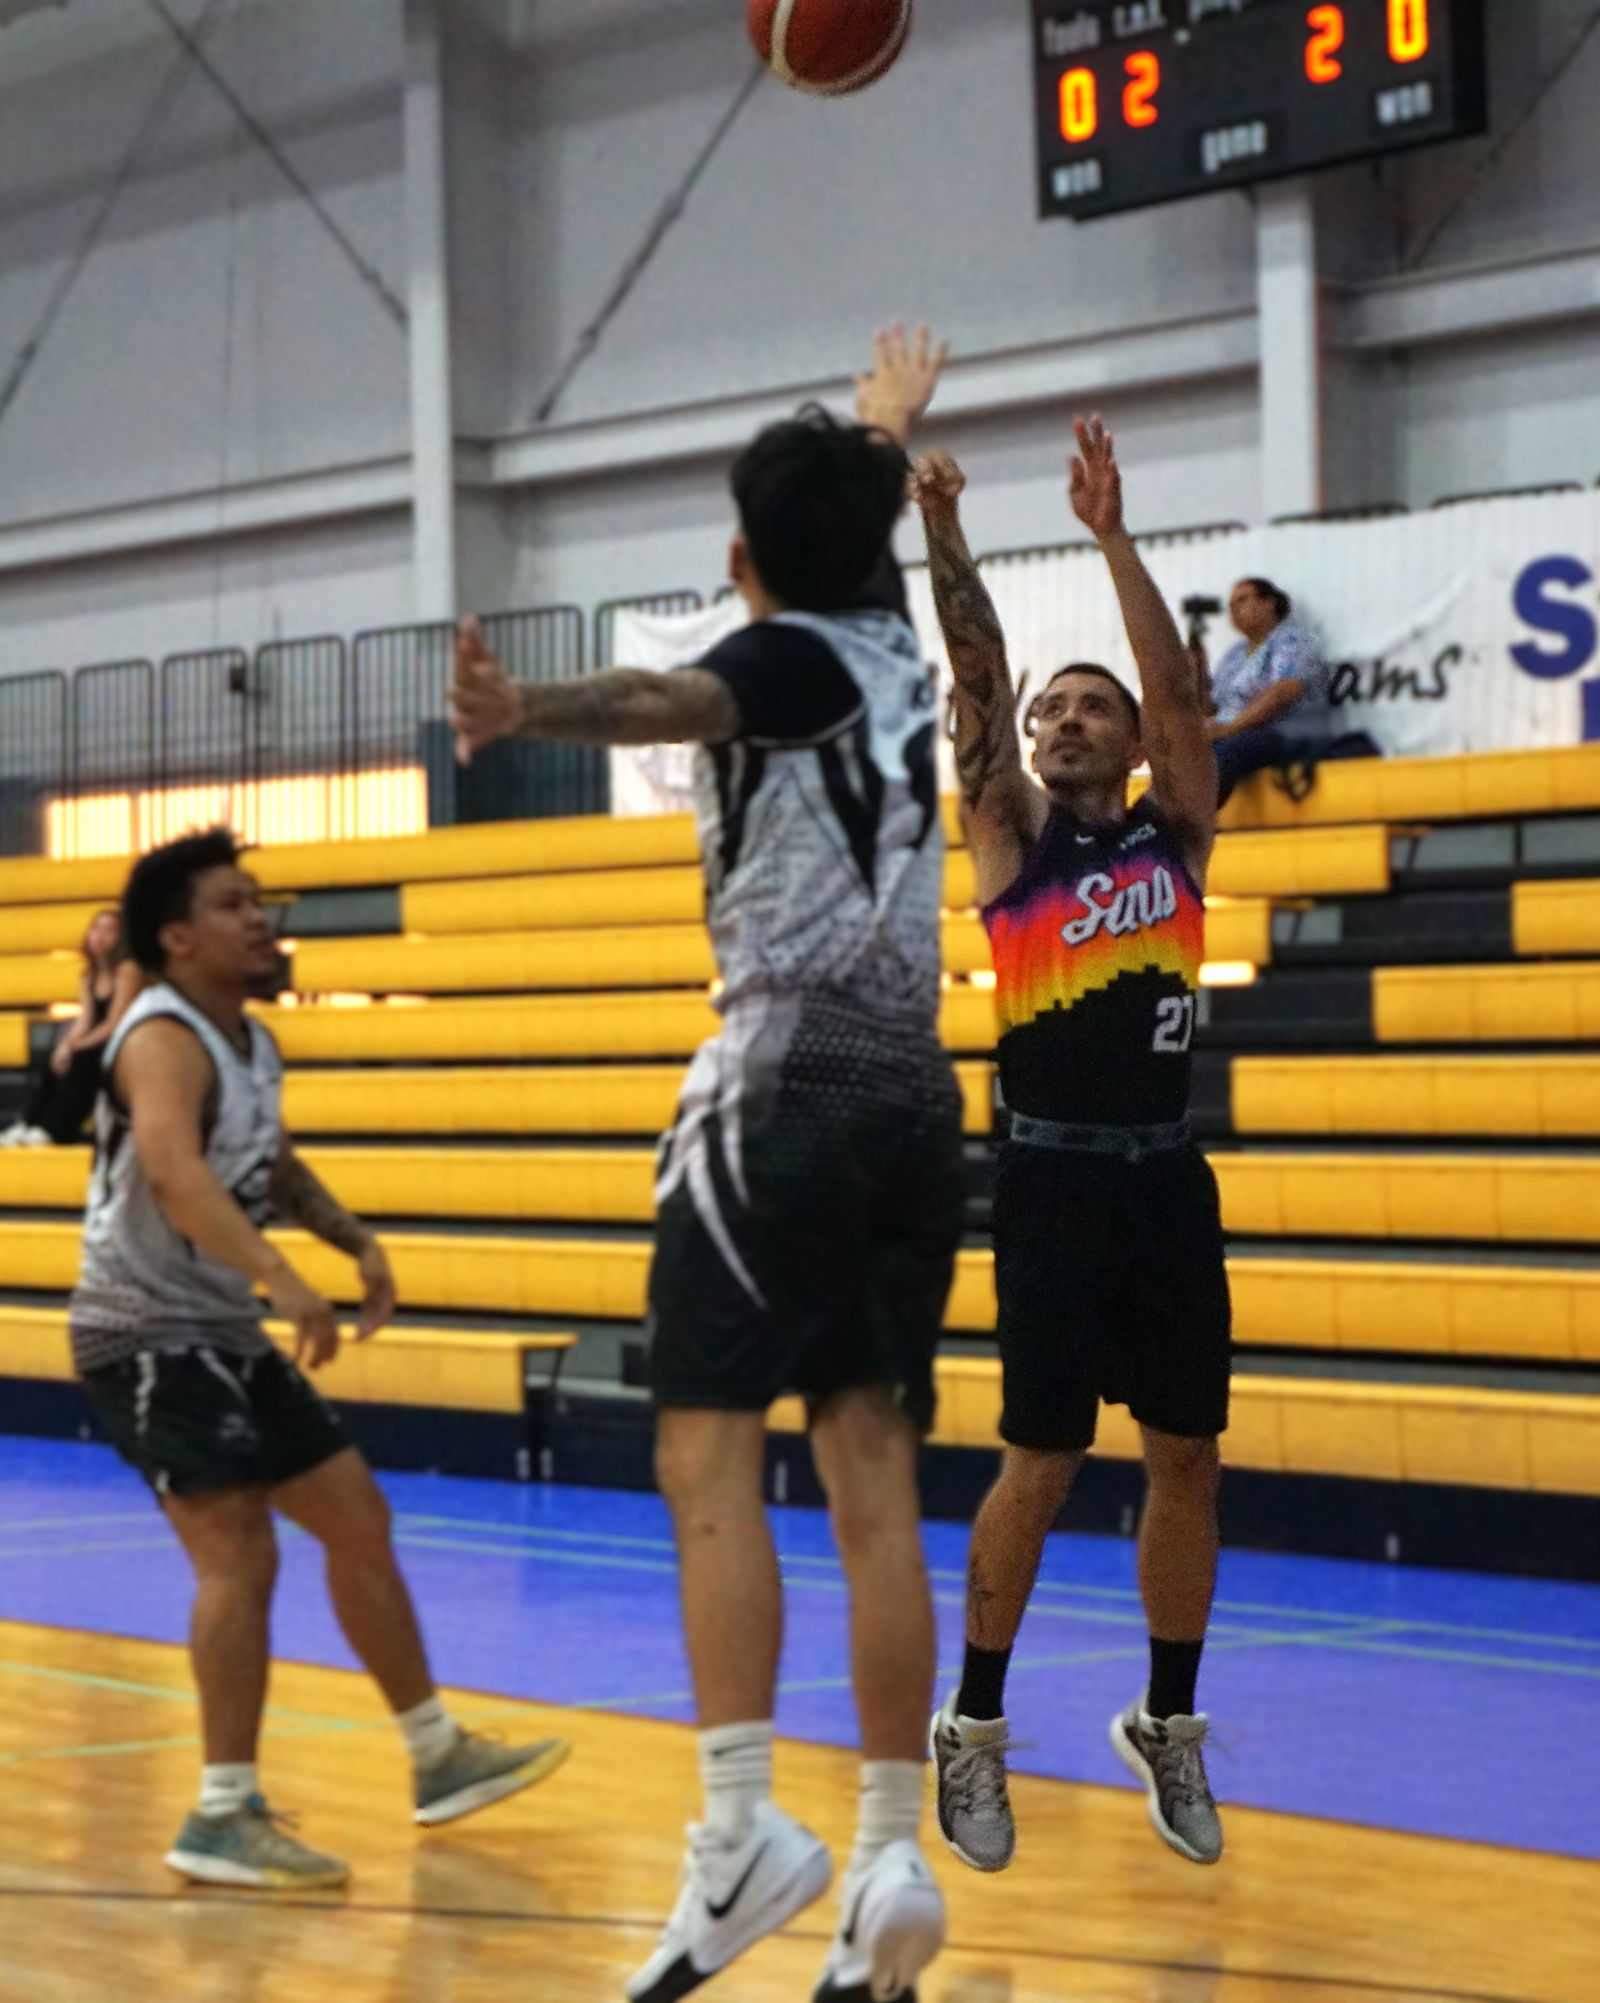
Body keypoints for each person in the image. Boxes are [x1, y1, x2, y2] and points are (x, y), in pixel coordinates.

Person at [450, 328, 962, 2003]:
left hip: (786, 1075)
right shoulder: (896, 648)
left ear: (745, 564)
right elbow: (853, 528)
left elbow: (674, 698)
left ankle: (741, 1828)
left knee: (704, 1459)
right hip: (912, 1081)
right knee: (874, 1476)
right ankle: (892, 1850)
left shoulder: (793, 657)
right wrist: (887, 425)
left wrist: (530, 703)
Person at [69, 829, 569, 1889]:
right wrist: (281, 1277)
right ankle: (221, 1811)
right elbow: (174, 1171)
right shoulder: (158, 1033)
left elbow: (267, 1156)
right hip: (144, 1328)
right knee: (239, 1553)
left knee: (355, 1514)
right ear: (176, 935)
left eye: (261, 900)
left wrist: (348, 1237)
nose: (260, 918)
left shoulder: (249, 1038)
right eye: (233, 902)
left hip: (215, 1326)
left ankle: (436, 1752)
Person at [915, 420, 1231, 1878]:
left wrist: (1113, 540)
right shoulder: (1010, 841)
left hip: (1165, 1175)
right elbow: (976, 681)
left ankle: (1166, 1717)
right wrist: (950, 535)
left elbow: (1179, 692)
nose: (1065, 721)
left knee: (1188, 1452)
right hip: (1045, 1173)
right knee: (1040, 1457)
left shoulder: (1178, 835)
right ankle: (972, 1724)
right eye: (1054, 713)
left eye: (1090, 708)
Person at [1, 911, 144, 1147]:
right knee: (55, 1058)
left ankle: (54, 1129)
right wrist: (65, 1045)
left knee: (82, 1057)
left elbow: (115, 1023)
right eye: (96, 929)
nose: (101, 936)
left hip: (124, 1043)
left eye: (110, 930)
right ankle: (29, 1122)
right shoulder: (88, 975)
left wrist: (77, 1046)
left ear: (122, 938)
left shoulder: (127, 970)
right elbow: (85, 1020)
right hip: (98, 1040)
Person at [1202, 577, 1332, 805]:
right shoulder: (1235, 654)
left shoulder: (1293, 641)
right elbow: (1214, 704)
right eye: (1231, 605)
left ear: (1269, 602)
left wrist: (1230, 728)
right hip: (1236, 733)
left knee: (1222, 754)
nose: (1234, 610)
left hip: (1283, 731)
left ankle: (1190, 829)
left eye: (1242, 600)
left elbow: (1282, 693)